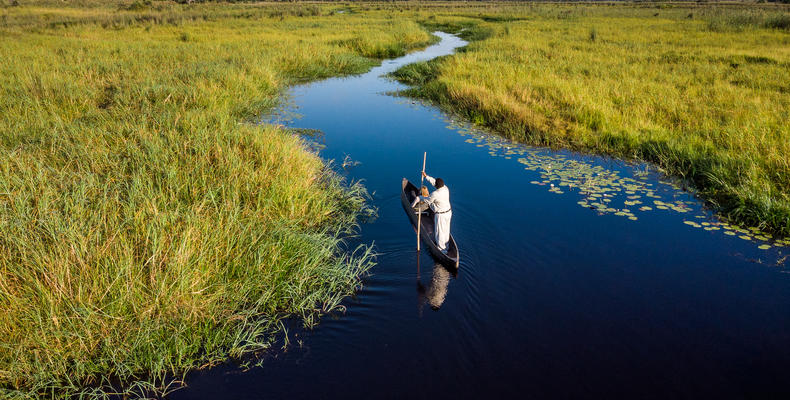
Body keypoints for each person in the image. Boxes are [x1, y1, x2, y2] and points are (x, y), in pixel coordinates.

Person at [420, 171, 452, 254]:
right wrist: (426, 176)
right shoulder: (445, 188)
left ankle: (442, 250)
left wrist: (420, 197)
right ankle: (447, 246)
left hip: (441, 215)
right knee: (446, 230)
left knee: (440, 231)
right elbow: (434, 182)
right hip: (448, 213)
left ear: (437, 186)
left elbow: (427, 200)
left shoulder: (435, 194)